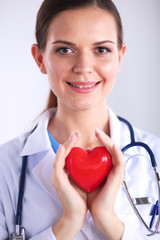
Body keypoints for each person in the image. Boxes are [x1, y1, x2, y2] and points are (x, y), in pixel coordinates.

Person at [0, 0, 160, 239]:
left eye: (101, 50)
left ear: (120, 56)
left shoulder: (155, 155)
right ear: (40, 59)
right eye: (65, 50)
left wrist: (109, 222)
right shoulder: (5, 166)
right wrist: (67, 224)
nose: (84, 67)